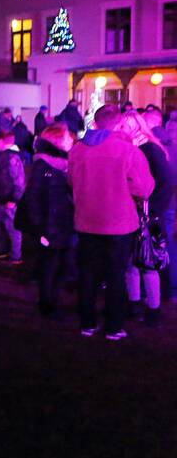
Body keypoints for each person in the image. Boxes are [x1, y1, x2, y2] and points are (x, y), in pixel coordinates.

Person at [68, 104, 154, 340]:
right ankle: (114, 327)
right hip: (119, 223)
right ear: (119, 123)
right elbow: (143, 188)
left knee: (88, 274)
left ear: (95, 123)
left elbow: (71, 181)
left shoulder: (77, 151)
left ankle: (87, 322)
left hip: (86, 221)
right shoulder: (128, 151)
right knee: (116, 275)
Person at [117, 111, 171, 326]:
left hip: (146, 213)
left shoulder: (148, 148)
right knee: (132, 261)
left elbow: (166, 181)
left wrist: (153, 210)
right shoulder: (136, 147)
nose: (122, 129)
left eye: (125, 126)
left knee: (146, 261)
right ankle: (135, 304)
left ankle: (152, 309)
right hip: (132, 211)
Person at [17, 124, 75, 317]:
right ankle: (47, 303)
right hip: (49, 225)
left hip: (61, 222)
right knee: (51, 265)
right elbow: (34, 197)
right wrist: (40, 228)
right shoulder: (44, 165)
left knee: (62, 264)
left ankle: (51, 300)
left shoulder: (62, 164)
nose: (71, 140)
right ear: (57, 141)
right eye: (67, 137)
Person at [147, 108, 177, 302]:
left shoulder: (150, 147)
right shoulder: (171, 145)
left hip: (154, 203)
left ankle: (154, 290)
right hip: (170, 203)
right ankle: (170, 289)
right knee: (167, 245)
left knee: (151, 246)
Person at [0, 129, 26, 264]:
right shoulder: (7, 156)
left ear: (1, 141)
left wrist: (14, 199)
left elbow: (18, 181)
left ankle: (16, 255)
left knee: (12, 227)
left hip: (8, 199)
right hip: (1, 198)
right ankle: (3, 249)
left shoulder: (10, 157)